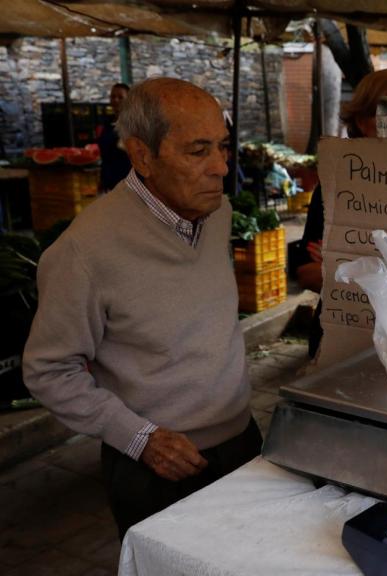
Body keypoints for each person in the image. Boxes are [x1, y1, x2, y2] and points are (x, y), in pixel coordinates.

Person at [22, 78, 262, 540]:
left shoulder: (220, 214)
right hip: (158, 468)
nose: (220, 167)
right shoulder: (84, 252)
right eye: (197, 151)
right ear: (142, 156)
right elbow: (49, 370)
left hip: (243, 441)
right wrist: (139, 438)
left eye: (222, 146)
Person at [296, 69, 387, 358]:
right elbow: (308, 272)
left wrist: (348, 265)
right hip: (343, 335)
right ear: (365, 123)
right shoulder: (336, 186)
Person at [96, 82, 132, 193]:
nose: (115, 100)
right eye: (113, 96)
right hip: (109, 183)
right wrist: (102, 180)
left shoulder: (134, 125)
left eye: (120, 97)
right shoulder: (107, 124)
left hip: (129, 185)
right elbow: (105, 157)